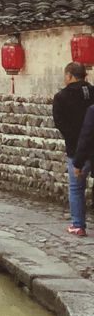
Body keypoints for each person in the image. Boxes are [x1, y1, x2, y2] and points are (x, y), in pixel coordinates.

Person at [54, 61, 94, 236]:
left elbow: (60, 123)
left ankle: (78, 225)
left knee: (76, 187)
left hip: (76, 149)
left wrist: (74, 142)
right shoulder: (92, 92)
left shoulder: (61, 97)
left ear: (69, 75)